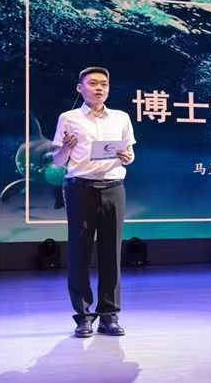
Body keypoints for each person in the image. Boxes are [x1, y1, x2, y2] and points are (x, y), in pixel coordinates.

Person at [51, 66, 136, 337]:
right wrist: (66, 147)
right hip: (81, 189)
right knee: (80, 252)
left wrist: (127, 157)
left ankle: (109, 316)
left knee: (111, 253)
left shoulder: (121, 117)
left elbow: (129, 153)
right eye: (93, 83)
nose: (99, 88)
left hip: (114, 188)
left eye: (104, 84)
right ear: (80, 88)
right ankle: (83, 317)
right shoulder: (69, 118)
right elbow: (58, 161)